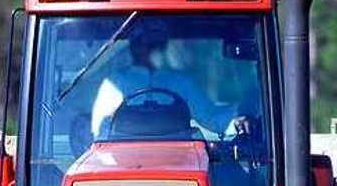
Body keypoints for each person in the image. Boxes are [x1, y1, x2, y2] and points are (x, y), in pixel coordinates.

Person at [88, 20, 247, 142]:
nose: (149, 49)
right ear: (133, 45)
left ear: (162, 45)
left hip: (179, 160)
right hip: (124, 161)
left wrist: (236, 121)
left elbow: (211, 117)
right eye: (143, 43)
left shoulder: (180, 82)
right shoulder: (116, 82)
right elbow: (101, 130)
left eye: (154, 44)